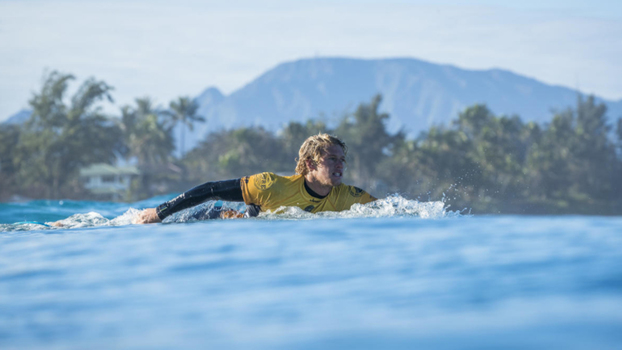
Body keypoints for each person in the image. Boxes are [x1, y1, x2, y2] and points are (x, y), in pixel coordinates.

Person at [133, 133, 377, 224]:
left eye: (342, 159)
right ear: (310, 164)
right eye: (332, 159)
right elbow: (211, 189)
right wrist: (160, 212)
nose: (340, 165)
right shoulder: (272, 185)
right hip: (221, 218)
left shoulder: (349, 196)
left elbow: (392, 210)